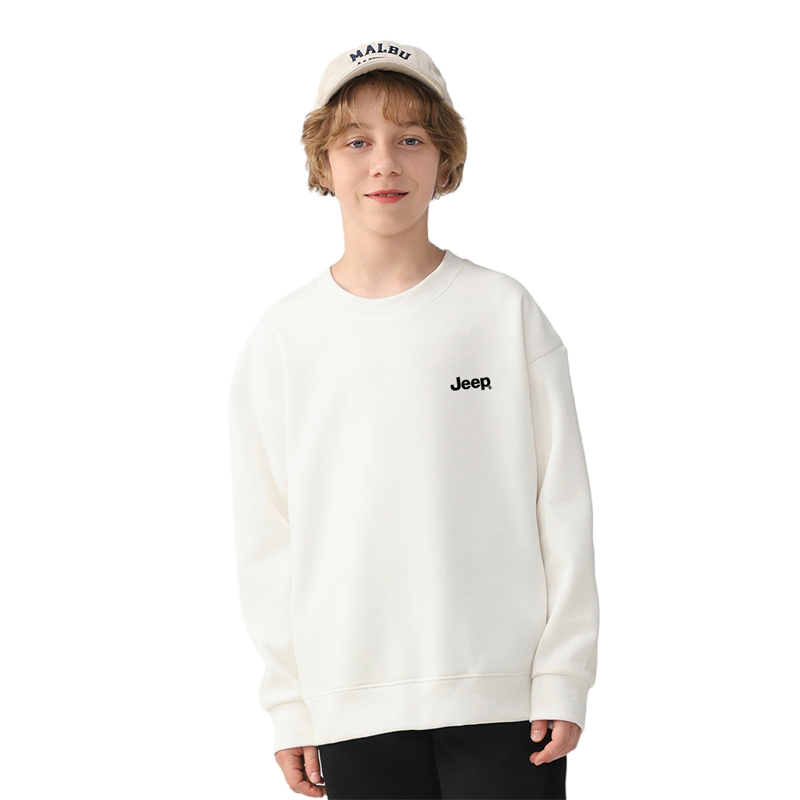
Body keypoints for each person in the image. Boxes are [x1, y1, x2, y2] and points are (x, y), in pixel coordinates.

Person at [227, 40, 599, 799]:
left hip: (504, 697)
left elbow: (561, 501)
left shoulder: (503, 312)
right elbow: (267, 537)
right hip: (352, 699)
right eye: (356, 142)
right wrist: (290, 702)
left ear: (444, 159)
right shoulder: (284, 339)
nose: (384, 163)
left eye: (410, 139)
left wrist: (563, 671)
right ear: (323, 162)